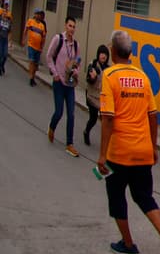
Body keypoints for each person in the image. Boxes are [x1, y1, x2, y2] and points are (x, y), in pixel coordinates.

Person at [98, 29, 160, 254]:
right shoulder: (143, 77)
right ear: (130, 52)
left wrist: (102, 155)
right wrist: (153, 147)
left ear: (113, 51)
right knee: (144, 196)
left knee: (116, 197)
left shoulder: (110, 76)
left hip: (118, 153)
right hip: (143, 150)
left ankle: (128, 244)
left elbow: (108, 118)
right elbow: (153, 115)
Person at [45, 17, 81, 156]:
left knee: (71, 114)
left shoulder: (76, 45)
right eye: (70, 26)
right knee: (59, 112)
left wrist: (76, 71)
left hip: (70, 83)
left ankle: (69, 144)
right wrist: (55, 73)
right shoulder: (58, 39)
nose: (72, 29)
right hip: (59, 81)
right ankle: (52, 127)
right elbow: (49, 56)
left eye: (74, 27)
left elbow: (77, 62)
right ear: (65, 26)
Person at [83, 44, 110, 146]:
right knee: (93, 119)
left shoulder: (108, 68)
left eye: (106, 54)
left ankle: (105, 143)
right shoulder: (93, 64)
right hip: (92, 97)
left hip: (103, 98)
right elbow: (89, 79)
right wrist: (93, 77)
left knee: (105, 121)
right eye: (102, 54)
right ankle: (86, 131)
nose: (103, 56)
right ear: (98, 54)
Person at [24, 9, 46, 86]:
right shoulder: (30, 21)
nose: (38, 15)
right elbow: (26, 30)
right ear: (35, 14)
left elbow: (43, 37)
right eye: (37, 14)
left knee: (36, 64)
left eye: (39, 14)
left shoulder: (42, 25)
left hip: (38, 47)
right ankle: (31, 78)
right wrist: (24, 39)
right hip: (31, 45)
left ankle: (33, 77)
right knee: (32, 61)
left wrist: (42, 46)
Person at [0, 5, 11, 75]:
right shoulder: (0, 20)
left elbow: (10, 32)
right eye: (3, 13)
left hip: (5, 39)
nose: (4, 14)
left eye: (5, 13)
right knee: (0, 54)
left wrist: (10, 41)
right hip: (0, 38)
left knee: (5, 55)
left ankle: (2, 65)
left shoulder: (8, 22)